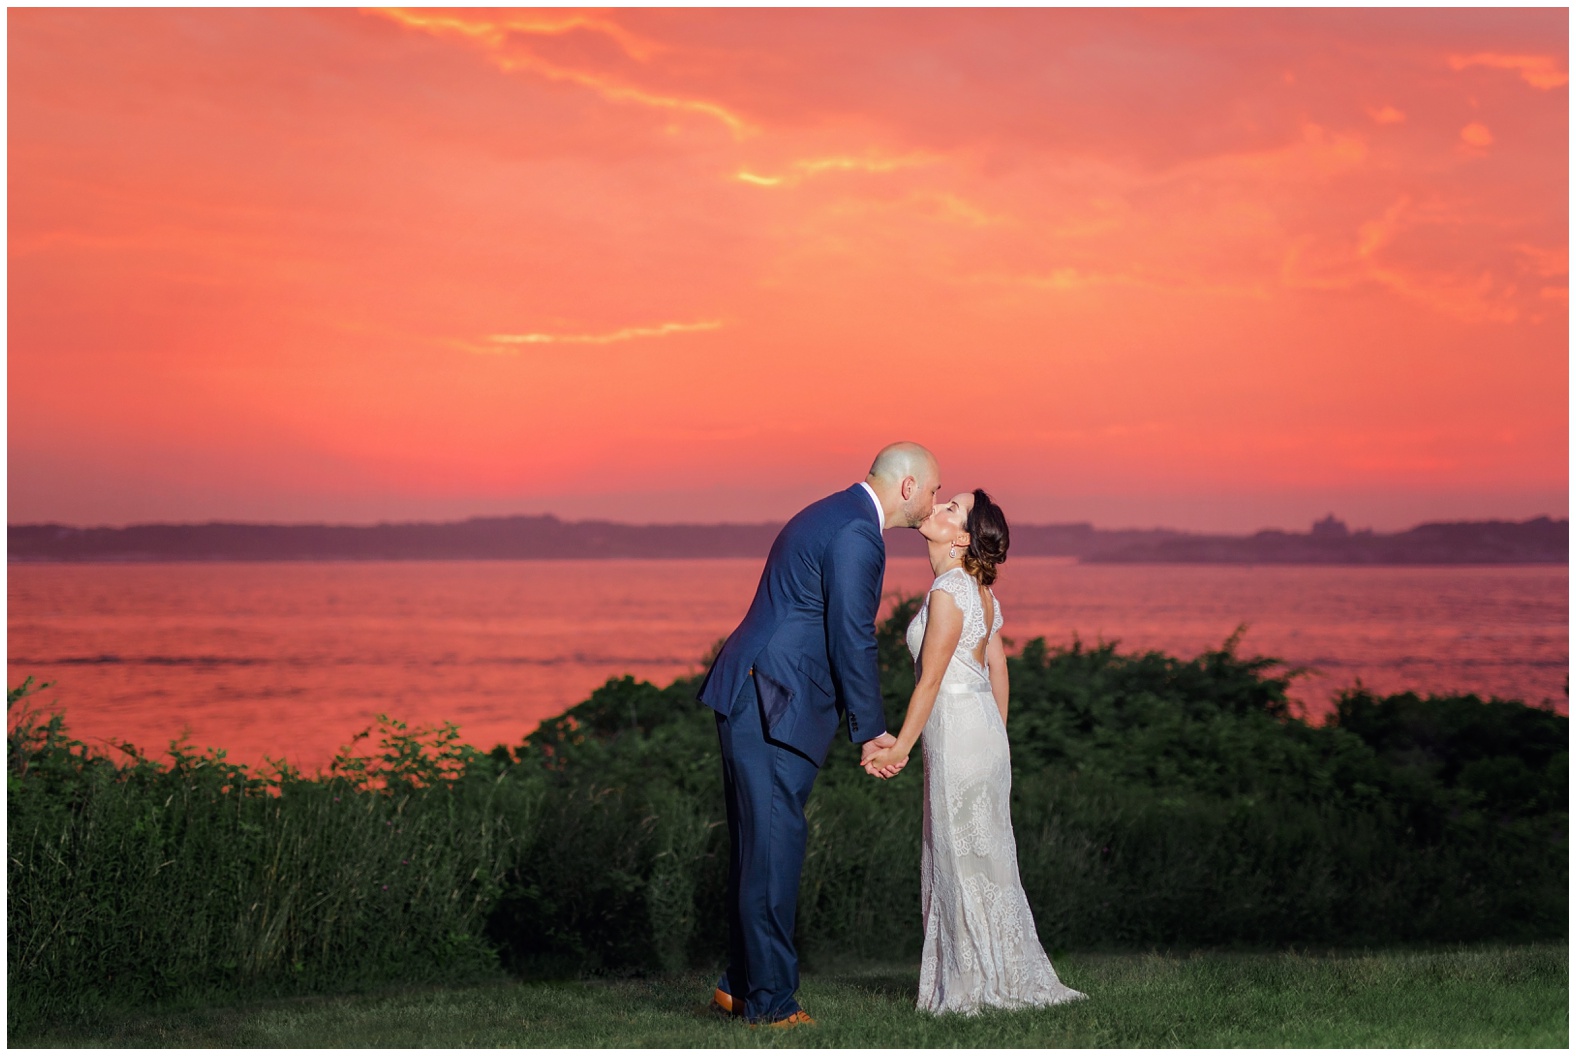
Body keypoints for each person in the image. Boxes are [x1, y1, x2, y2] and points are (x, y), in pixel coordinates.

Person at [698, 442, 942, 1028]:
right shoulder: (860, 533)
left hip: (755, 692)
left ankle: (740, 985)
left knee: (758, 851)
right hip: (773, 702)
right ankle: (773, 1006)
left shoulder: (831, 512)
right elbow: (852, 637)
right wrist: (872, 731)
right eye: (935, 490)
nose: (935, 501)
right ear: (908, 487)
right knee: (773, 853)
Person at [863, 489, 1087, 1014]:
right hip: (981, 730)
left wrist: (899, 745)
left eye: (951, 508)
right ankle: (999, 971)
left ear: (961, 537)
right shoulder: (980, 592)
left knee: (959, 854)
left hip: (958, 732)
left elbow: (932, 680)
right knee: (982, 855)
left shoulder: (948, 591)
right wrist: (998, 738)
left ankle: (970, 985)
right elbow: (998, 669)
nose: (938, 508)